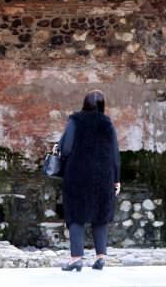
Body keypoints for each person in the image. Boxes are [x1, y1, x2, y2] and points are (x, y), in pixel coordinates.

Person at [58, 89, 121, 272]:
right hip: (103, 175)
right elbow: (114, 154)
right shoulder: (107, 123)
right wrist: (116, 179)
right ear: (102, 106)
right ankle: (101, 256)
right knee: (101, 215)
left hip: (77, 173)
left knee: (75, 214)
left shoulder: (75, 121)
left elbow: (66, 148)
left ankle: (76, 258)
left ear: (84, 103)